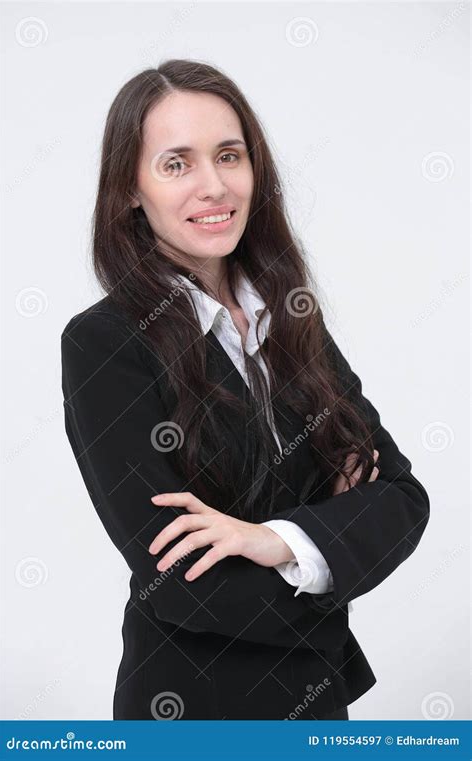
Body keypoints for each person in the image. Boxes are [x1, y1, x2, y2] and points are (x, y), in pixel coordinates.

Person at [60, 59, 430, 721]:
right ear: (129, 190)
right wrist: (332, 550)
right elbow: (180, 583)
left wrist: (277, 540)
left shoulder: (289, 319)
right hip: (190, 712)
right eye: (176, 164)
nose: (213, 185)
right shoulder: (106, 341)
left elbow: (403, 499)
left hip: (316, 711)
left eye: (229, 155)